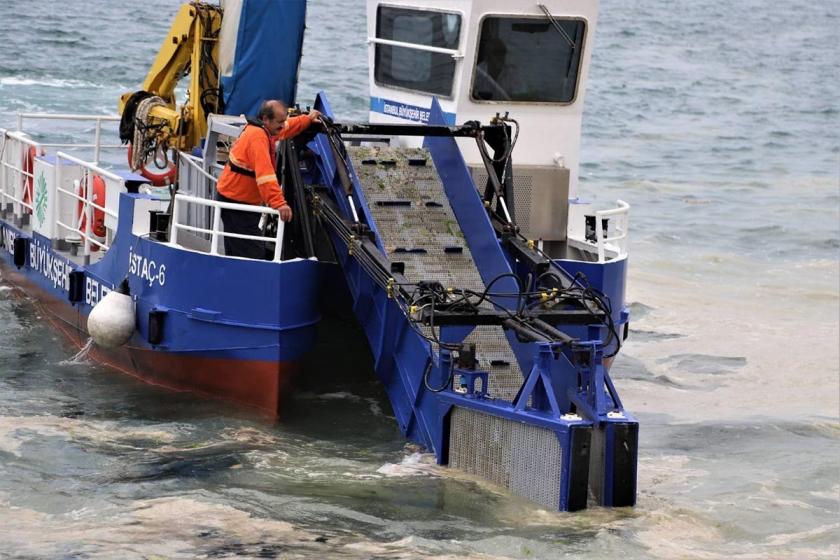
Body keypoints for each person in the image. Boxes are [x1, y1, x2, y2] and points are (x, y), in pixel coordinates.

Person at [215, 99, 321, 259]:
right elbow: (266, 177)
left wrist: (307, 119)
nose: (282, 125)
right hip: (237, 204)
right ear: (266, 119)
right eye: (279, 121)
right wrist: (280, 204)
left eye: (283, 120)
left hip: (238, 200)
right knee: (251, 254)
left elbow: (285, 128)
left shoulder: (264, 129)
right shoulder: (257, 137)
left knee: (236, 251)